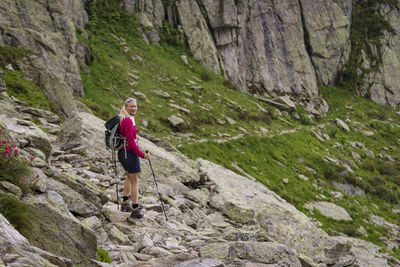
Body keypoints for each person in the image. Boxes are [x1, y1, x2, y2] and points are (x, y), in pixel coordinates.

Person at [118, 98, 150, 219]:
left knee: (129, 177)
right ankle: (135, 210)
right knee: (135, 180)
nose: (134, 109)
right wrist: (142, 155)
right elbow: (131, 142)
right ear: (126, 107)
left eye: (135, 106)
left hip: (123, 153)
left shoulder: (122, 118)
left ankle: (125, 203)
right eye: (131, 106)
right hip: (129, 154)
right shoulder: (128, 121)